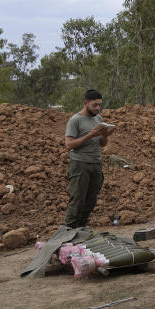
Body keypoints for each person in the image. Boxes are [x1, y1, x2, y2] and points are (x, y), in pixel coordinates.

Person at [63, 89, 112, 228]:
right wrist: (90, 135)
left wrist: (104, 135)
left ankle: (81, 230)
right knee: (77, 201)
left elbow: (102, 144)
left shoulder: (99, 119)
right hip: (80, 165)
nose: (97, 108)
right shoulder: (75, 120)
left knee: (90, 201)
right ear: (86, 103)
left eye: (99, 105)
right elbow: (68, 145)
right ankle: (67, 233)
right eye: (94, 105)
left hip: (96, 164)